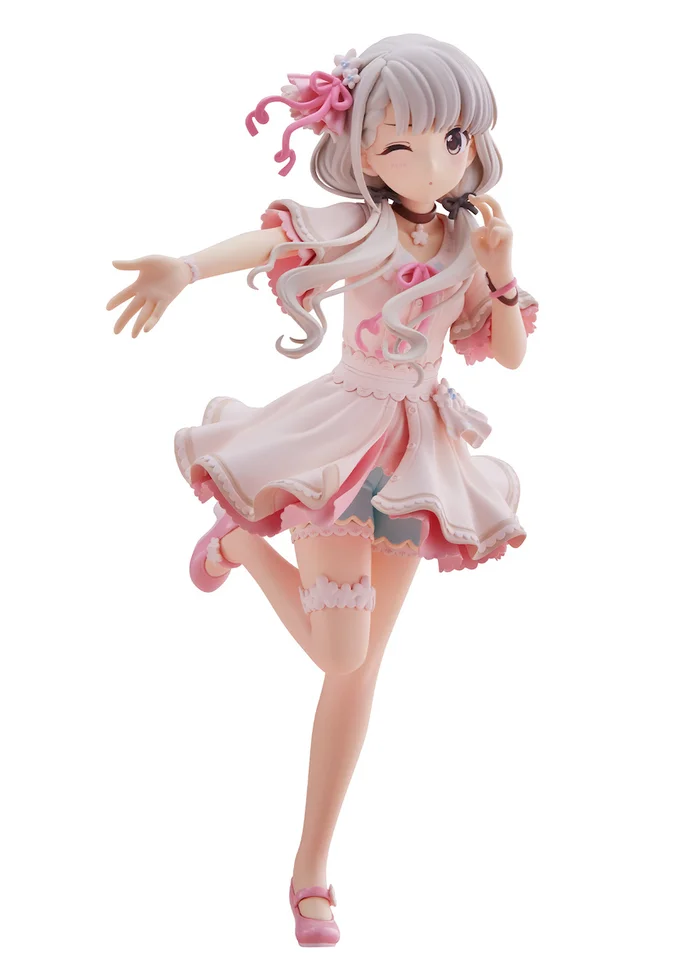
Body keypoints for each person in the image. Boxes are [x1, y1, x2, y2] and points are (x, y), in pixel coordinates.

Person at [106, 33, 538, 947]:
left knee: (363, 667)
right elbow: (275, 239)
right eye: (401, 145)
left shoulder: (467, 239)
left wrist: (501, 271)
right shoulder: (363, 226)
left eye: (451, 139)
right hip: (338, 443)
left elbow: (507, 354)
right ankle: (238, 541)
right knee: (343, 654)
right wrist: (186, 267)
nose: (433, 164)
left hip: (418, 461)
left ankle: (312, 870)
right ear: (364, 152)